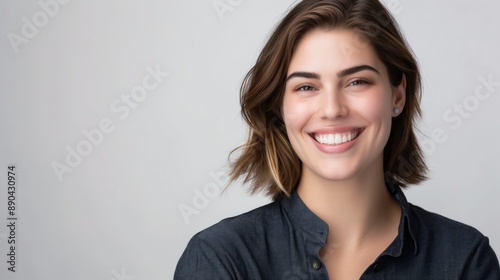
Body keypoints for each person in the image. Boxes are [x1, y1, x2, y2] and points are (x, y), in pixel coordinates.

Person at [174, 0, 500, 279]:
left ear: (397, 94)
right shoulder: (221, 259)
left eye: (357, 81)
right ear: (279, 107)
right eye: (306, 87)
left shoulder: (465, 259)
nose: (332, 109)